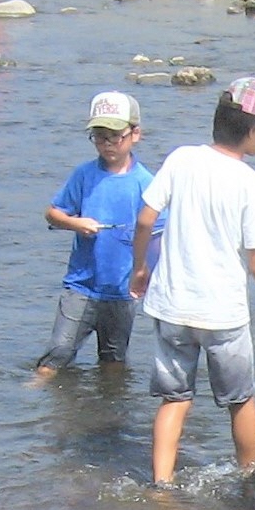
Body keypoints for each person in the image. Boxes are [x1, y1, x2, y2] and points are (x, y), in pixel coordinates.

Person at [130, 77, 255, 485]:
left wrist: (140, 267)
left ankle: (162, 482)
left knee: (174, 399)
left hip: (171, 306)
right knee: (240, 401)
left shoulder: (181, 159)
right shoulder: (252, 186)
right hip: (222, 314)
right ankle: (250, 478)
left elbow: (145, 218)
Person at [35, 93, 156, 379]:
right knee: (57, 353)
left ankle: (110, 411)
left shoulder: (147, 183)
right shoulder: (84, 175)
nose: (107, 145)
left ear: (135, 134)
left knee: (113, 361)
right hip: (81, 286)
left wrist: (149, 275)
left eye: (115, 136)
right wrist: (76, 224)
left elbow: (156, 237)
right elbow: (53, 213)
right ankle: (35, 393)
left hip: (122, 292)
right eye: (99, 137)